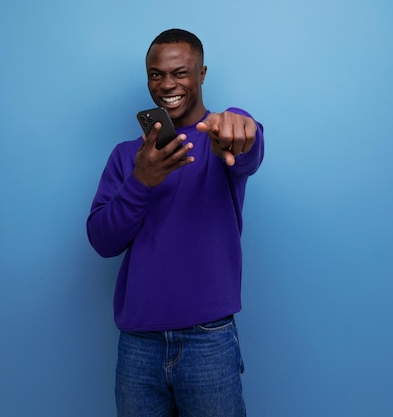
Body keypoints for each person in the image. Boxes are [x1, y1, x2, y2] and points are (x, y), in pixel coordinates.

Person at [86, 28, 264, 417]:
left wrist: (242, 129)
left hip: (208, 342)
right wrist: (141, 181)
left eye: (180, 72)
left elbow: (246, 144)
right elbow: (102, 240)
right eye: (156, 74)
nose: (167, 84)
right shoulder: (127, 157)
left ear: (201, 74)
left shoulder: (220, 139)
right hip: (137, 345)